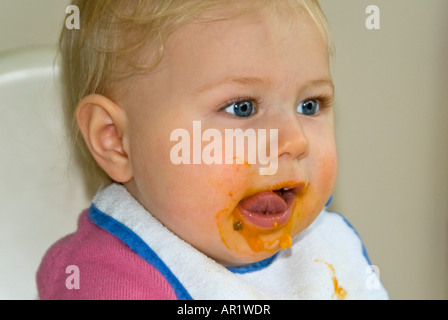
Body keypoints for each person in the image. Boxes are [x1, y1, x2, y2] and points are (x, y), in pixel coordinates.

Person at [37, 0, 388, 300]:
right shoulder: (104, 280)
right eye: (242, 108)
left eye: (310, 105)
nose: (295, 140)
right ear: (115, 140)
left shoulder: (324, 250)